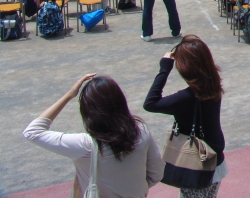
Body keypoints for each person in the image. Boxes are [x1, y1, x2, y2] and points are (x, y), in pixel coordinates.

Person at [24, 74, 164, 197]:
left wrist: (69, 95)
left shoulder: (84, 145)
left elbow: (32, 132)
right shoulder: (140, 131)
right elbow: (156, 172)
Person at [143, 35, 227, 198]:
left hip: (196, 164)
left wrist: (164, 68)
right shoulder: (214, 85)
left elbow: (150, 103)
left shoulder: (186, 98)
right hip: (215, 158)